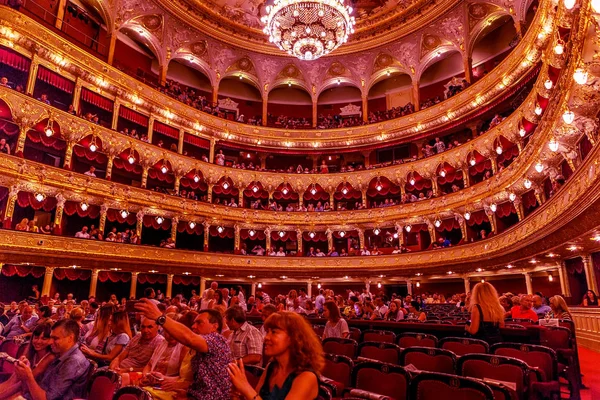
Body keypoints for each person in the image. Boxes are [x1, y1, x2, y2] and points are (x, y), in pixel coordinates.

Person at [135, 300, 233, 400]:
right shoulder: (200, 348)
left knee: (141, 395)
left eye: (199, 322)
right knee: (140, 392)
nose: (193, 326)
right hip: (195, 396)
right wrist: (183, 391)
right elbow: (201, 383)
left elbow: (189, 338)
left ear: (214, 326)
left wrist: (159, 317)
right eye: (194, 322)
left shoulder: (217, 340)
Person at [228, 312, 323, 400]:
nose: (266, 337)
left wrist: (245, 387)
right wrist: (241, 395)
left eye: (274, 332)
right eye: (267, 332)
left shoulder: (307, 377)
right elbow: (257, 396)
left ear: (293, 338)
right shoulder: (272, 367)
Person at [13, 319, 91, 400]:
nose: (50, 342)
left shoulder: (74, 361)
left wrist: (28, 376)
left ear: (70, 338)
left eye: (55, 338)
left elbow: (46, 398)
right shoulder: (60, 355)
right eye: (51, 338)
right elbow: (36, 388)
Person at [0, 323, 56, 398]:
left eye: (44, 339)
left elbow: (20, 385)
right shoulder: (29, 353)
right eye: (36, 337)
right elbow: (11, 381)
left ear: (51, 340)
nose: (38, 341)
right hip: (23, 391)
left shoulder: (50, 357)